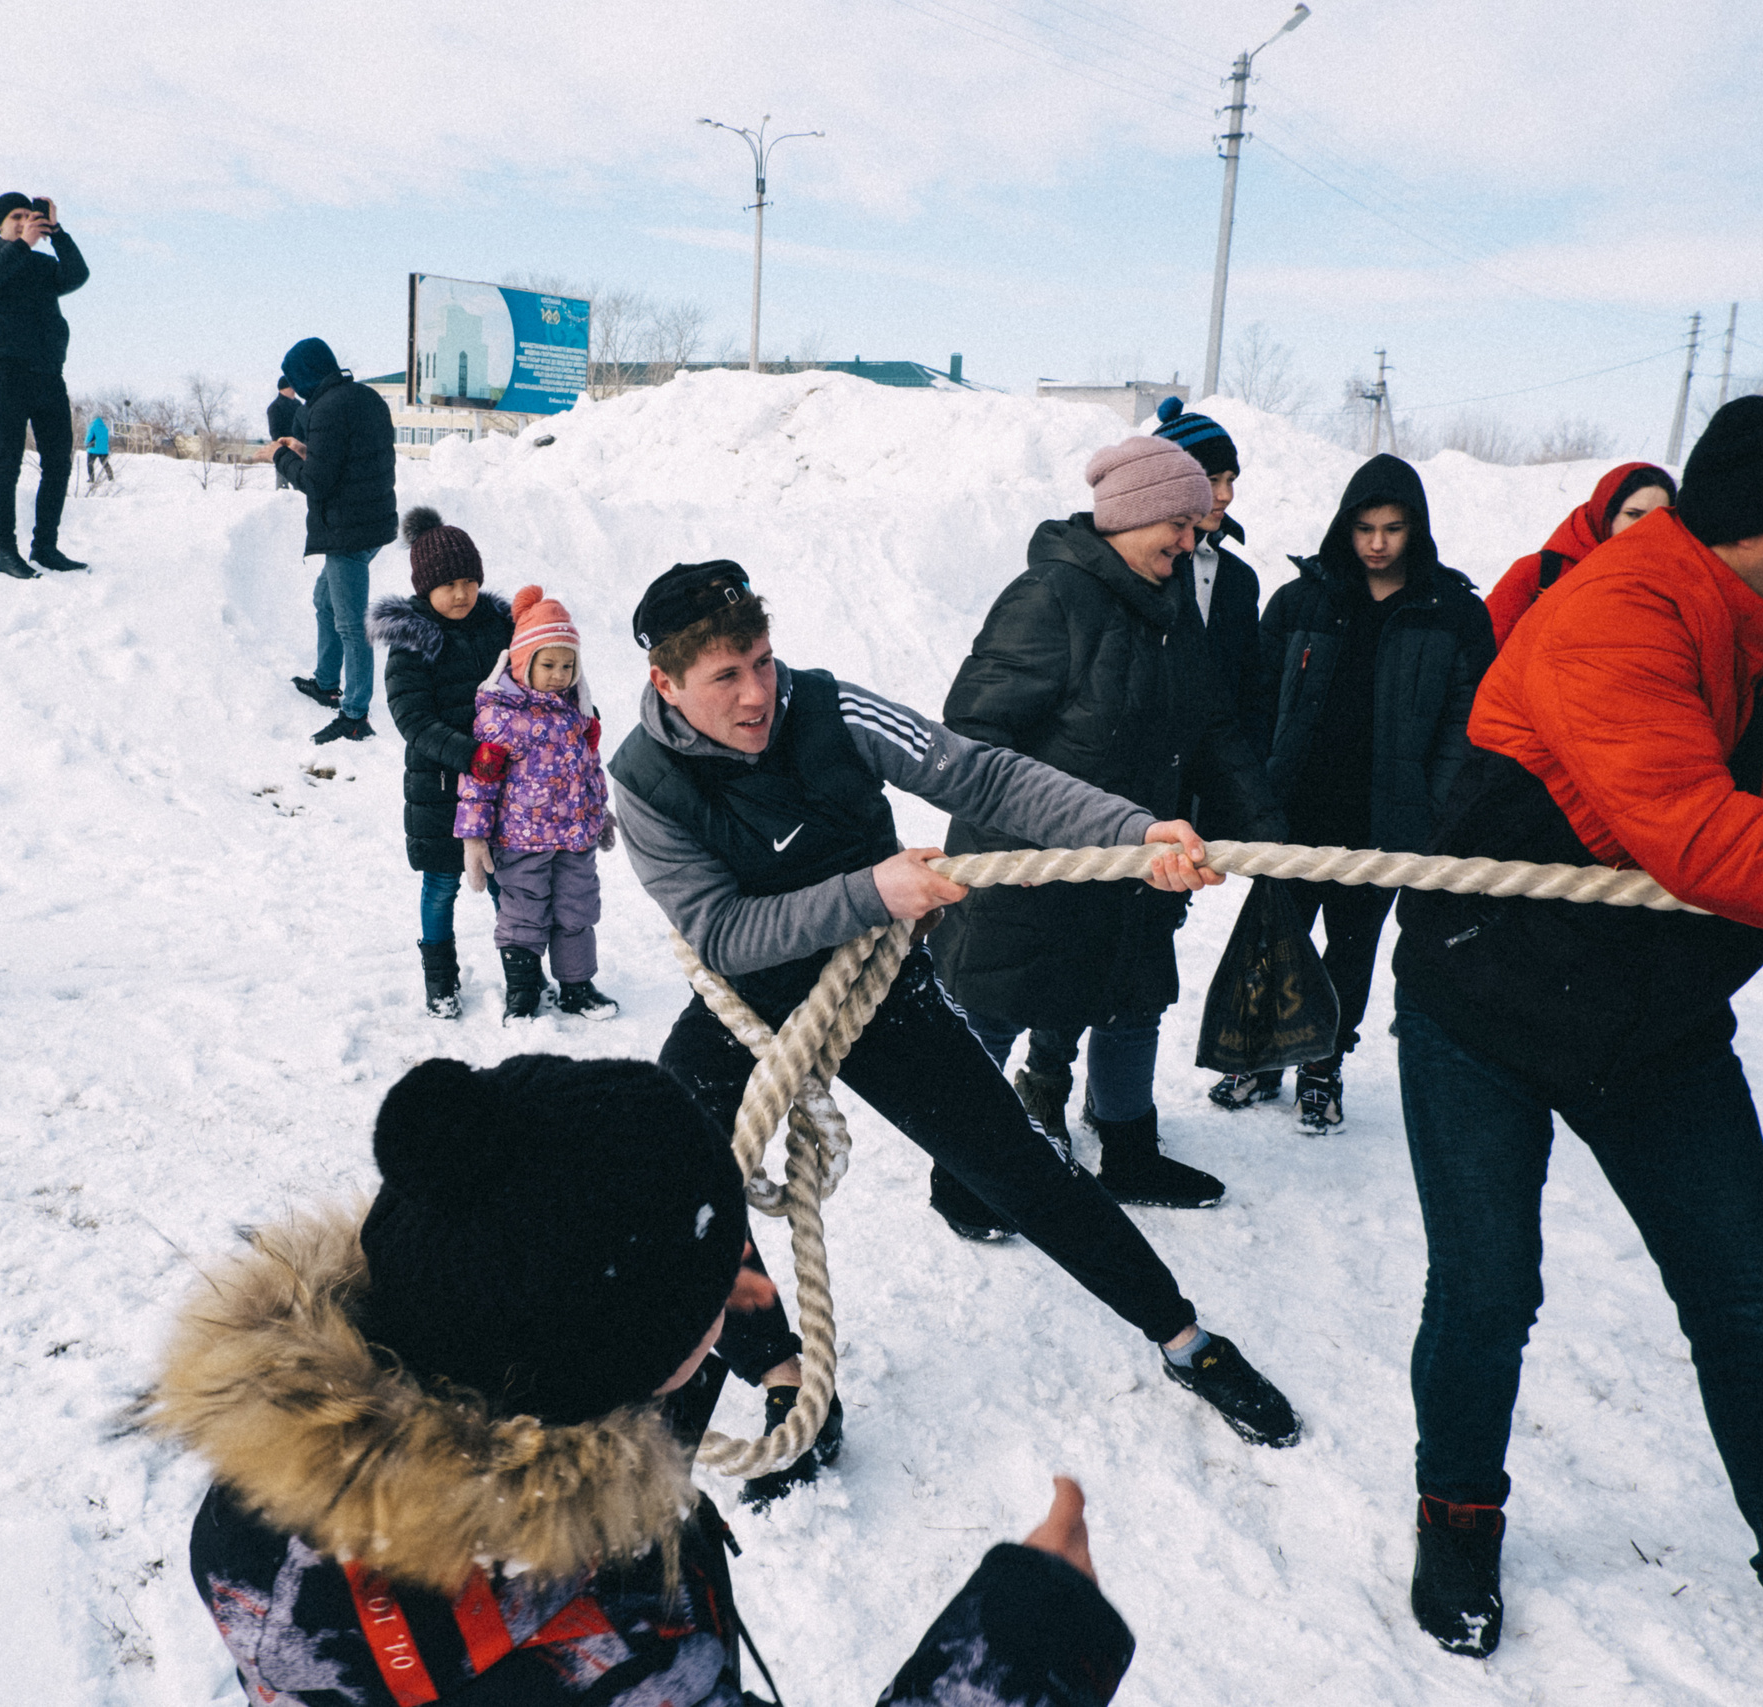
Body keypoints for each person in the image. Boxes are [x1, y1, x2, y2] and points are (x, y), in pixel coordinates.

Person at [1390, 397, 1763, 1703]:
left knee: (1750, 1306)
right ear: (1761, 518)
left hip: (1656, 1029)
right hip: (1485, 1006)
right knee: (1489, 1286)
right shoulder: (1615, 613)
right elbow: (1695, 841)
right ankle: (1459, 1515)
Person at [146, 1052, 1142, 1706]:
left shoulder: (260, 1504)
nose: (749, 1292)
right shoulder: (613, 1663)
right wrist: (1029, 1641)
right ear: (613, 1366)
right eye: (716, 1288)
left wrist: (676, 1326)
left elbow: (580, 1347)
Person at [610, 561, 1303, 1460]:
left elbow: (985, 778)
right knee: (675, 1177)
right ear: (665, 682)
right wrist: (873, 887)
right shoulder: (643, 781)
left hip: (875, 979)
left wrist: (1135, 831)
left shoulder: (831, 709)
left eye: (764, 662)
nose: (756, 694)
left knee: (1015, 1164)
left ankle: (1185, 1338)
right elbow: (725, 931)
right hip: (753, 994)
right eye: (726, 677)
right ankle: (783, 1373)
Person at [937, 436, 1287, 1212]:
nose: (1194, 541)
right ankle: (964, 1174)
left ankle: (1129, 1152)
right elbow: (970, 736)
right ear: (1138, 514)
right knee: (994, 1014)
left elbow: (1211, 728)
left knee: (1132, 1003)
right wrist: (1049, 832)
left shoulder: (1170, 611)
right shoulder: (1050, 598)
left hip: (1135, 869)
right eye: (1183, 525)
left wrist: (1267, 831)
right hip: (1031, 869)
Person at [1215, 454, 1493, 1130]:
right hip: (1295, 808)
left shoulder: (1452, 612)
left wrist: (1431, 810)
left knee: (1350, 949)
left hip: (1384, 819)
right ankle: (1260, 1057)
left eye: (1393, 528)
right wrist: (1257, 794)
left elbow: (1468, 724)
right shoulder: (1302, 599)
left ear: (1416, 530)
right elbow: (1255, 703)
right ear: (1344, 526)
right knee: (1276, 938)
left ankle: (1323, 1065)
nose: (1377, 543)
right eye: (1364, 527)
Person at [370, 507, 513, 1017]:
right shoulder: (413, 638)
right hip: (439, 787)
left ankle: (520, 973)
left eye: (469, 581)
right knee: (441, 885)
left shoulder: (500, 625)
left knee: (506, 882)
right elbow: (411, 716)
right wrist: (470, 755)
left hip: (503, 788)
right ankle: (440, 980)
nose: (461, 594)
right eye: (449, 584)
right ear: (425, 586)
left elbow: (539, 683)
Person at [455, 586, 621, 1025]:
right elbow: (479, 780)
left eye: (568, 665)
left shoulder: (577, 711)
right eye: (548, 664)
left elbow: (589, 768)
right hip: (521, 840)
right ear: (523, 661)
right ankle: (524, 991)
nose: (559, 674)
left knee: (578, 911)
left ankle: (576, 986)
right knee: (523, 914)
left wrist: (599, 811)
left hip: (574, 838)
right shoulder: (500, 715)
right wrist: (474, 838)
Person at [263, 337, 396, 743]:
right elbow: (347, 456)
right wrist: (304, 449)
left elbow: (317, 482)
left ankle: (355, 714)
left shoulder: (324, 408)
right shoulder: (365, 396)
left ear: (306, 374)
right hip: (372, 522)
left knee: (353, 625)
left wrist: (279, 456)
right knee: (325, 602)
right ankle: (325, 682)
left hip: (347, 531)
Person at [0, 191, 89, 579]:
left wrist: (58, 233)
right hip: (8, 374)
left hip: (49, 375)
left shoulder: (40, 264)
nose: (22, 222)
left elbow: (77, 275)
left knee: (57, 463)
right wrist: (23, 243)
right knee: (8, 464)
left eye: (28, 216)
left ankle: (45, 546)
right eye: (15, 216)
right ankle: (5, 551)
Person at [1483, 460, 1675, 647]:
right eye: (1633, 514)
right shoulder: (1540, 571)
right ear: (1606, 514)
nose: (1645, 527)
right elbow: (1485, 650)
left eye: (1659, 517)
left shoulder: (1670, 587)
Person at [1151, 395, 1262, 712]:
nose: (1225, 495)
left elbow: (1249, 689)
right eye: (1211, 480)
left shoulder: (1239, 579)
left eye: (1230, 480)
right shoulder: (1138, 566)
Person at [265, 375, 300, 492]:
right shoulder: (274, 408)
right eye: (291, 387)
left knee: (300, 488)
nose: (294, 389)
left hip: (300, 451)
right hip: (284, 452)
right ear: (283, 389)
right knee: (282, 490)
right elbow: (275, 433)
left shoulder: (298, 405)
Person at [83, 412, 114, 487]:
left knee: (90, 464)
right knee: (105, 464)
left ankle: (91, 478)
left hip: (93, 449)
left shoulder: (92, 426)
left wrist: (85, 443)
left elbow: (89, 437)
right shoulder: (105, 427)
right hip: (103, 450)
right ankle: (111, 477)